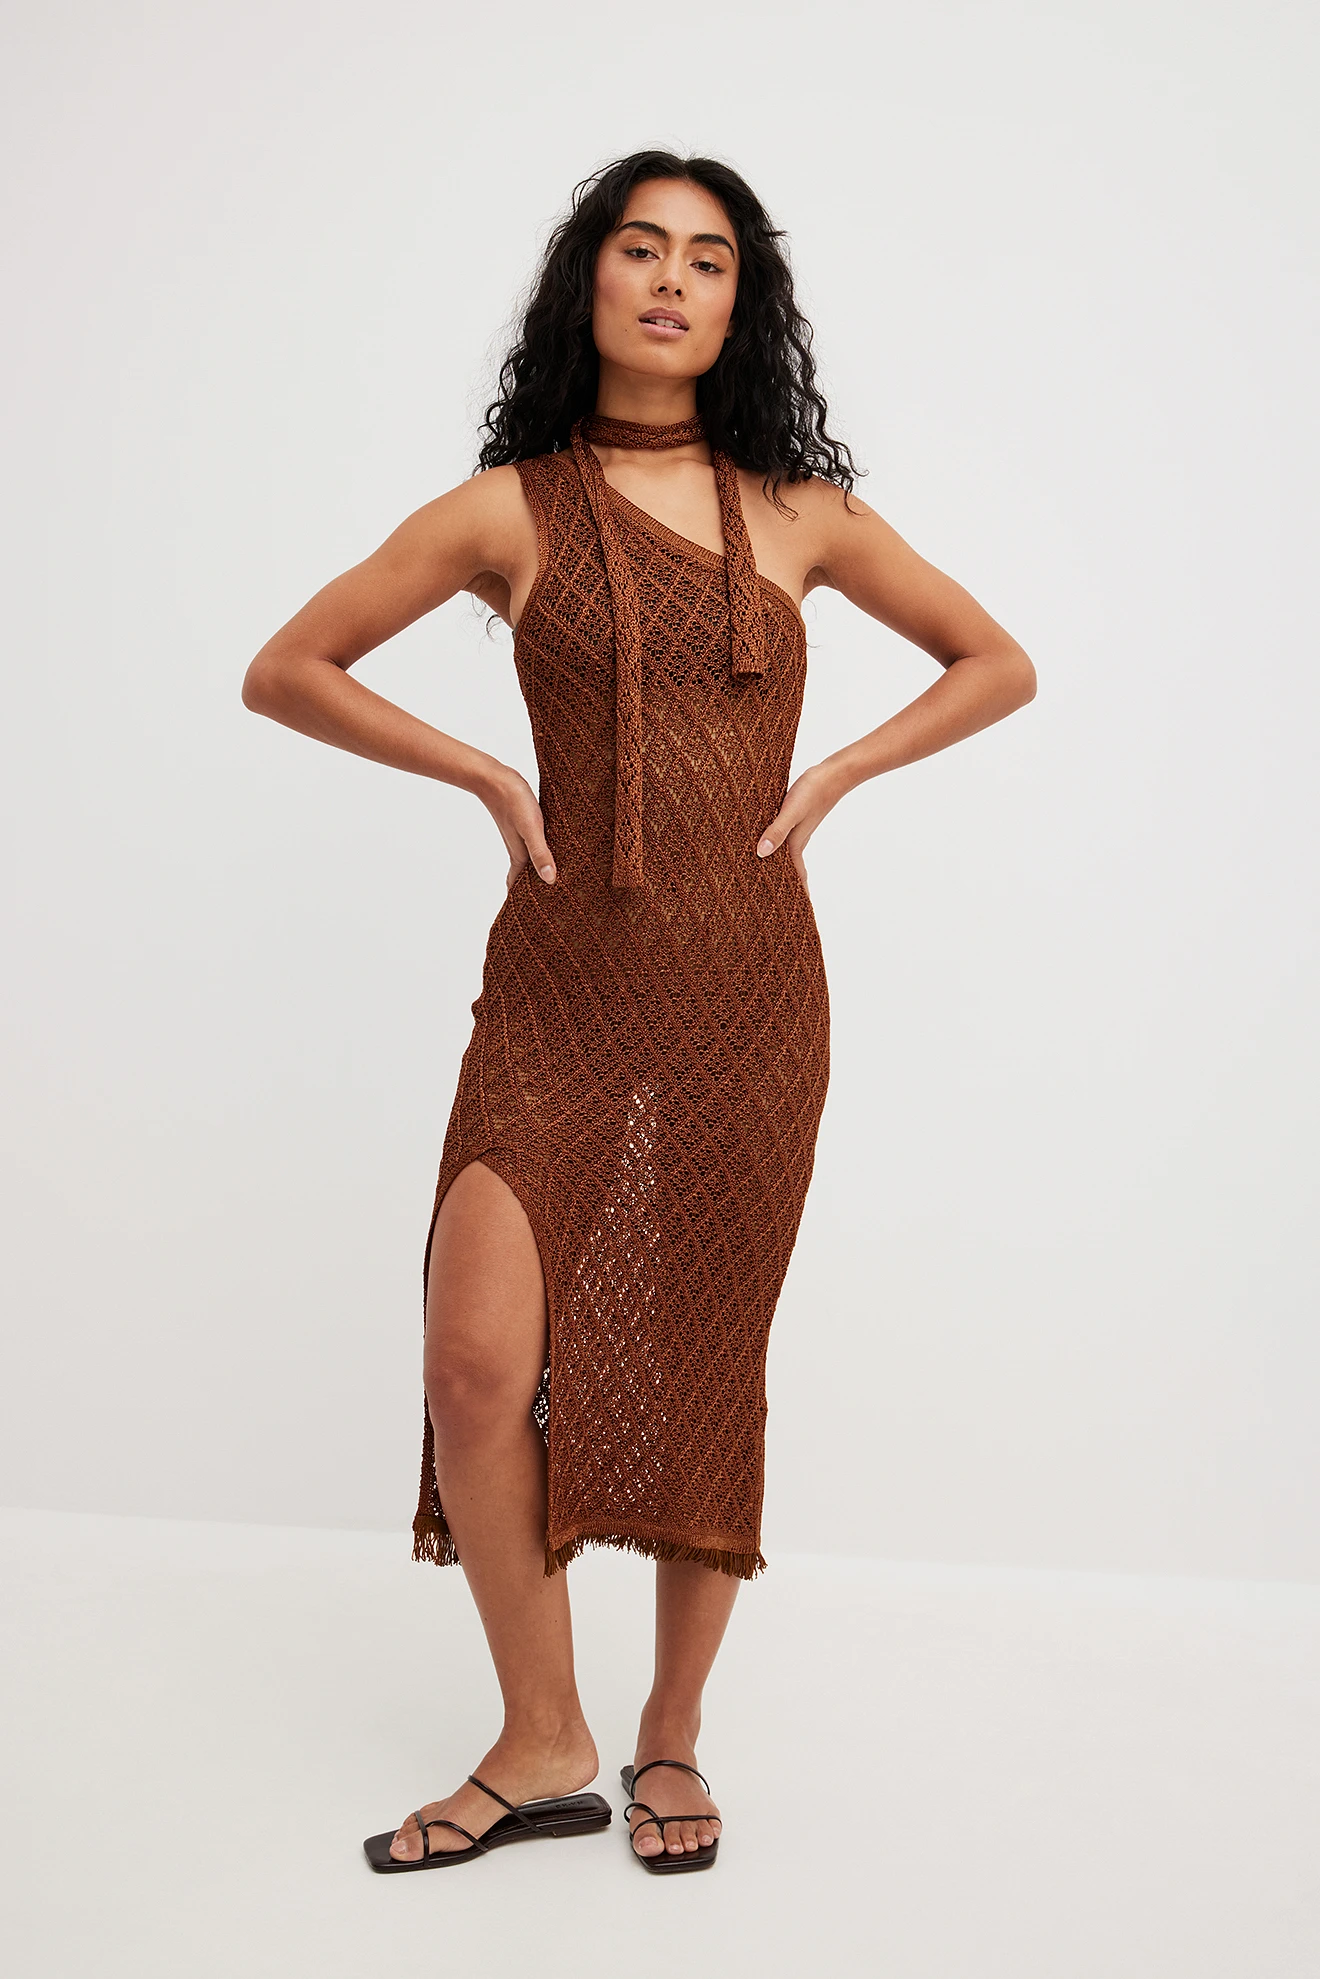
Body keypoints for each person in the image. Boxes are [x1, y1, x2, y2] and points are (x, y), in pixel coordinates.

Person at [241, 148, 1036, 1876]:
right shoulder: (507, 509)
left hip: (748, 989)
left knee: (697, 1365)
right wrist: (480, 772)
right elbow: (286, 666)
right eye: (641, 247)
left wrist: (838, 770)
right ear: (587, 279)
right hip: (557, 982)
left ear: (743, 305)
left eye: (710, 259)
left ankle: (670, 1728)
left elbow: (998, 660)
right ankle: (543, 1736)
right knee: (476, 1360)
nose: (672, 279)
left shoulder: (801, 512)